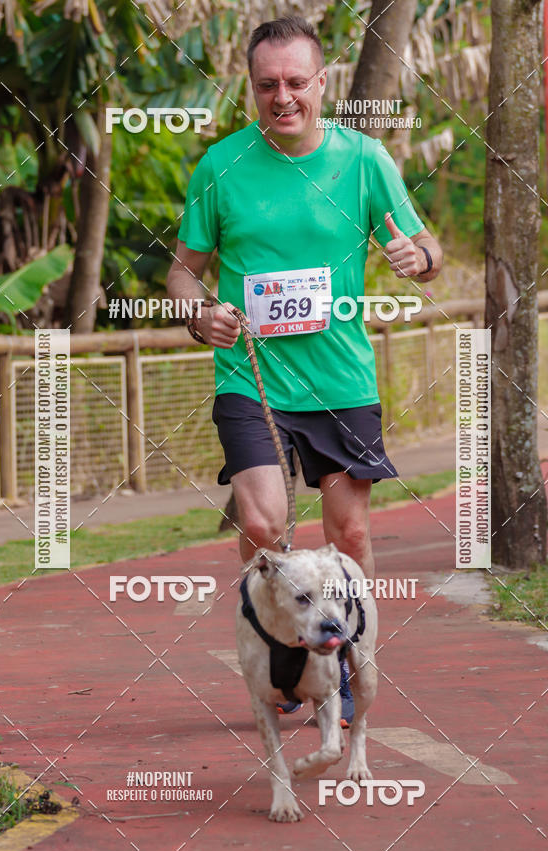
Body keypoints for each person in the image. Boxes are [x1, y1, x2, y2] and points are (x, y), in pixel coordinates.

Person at [167, 15, 442, 723]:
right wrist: (201, 316)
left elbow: (425, 247)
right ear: (250, 90)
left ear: (322, 83)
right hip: (250, 377)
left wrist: (420, 259)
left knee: (349, 537)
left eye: (296, 82)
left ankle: (347, 659)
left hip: (340, 380)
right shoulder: (220, 167)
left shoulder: (364, 160)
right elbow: (183, 273)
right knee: (264, 525)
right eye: (267, 85)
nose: (282, 96)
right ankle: (277, 654)